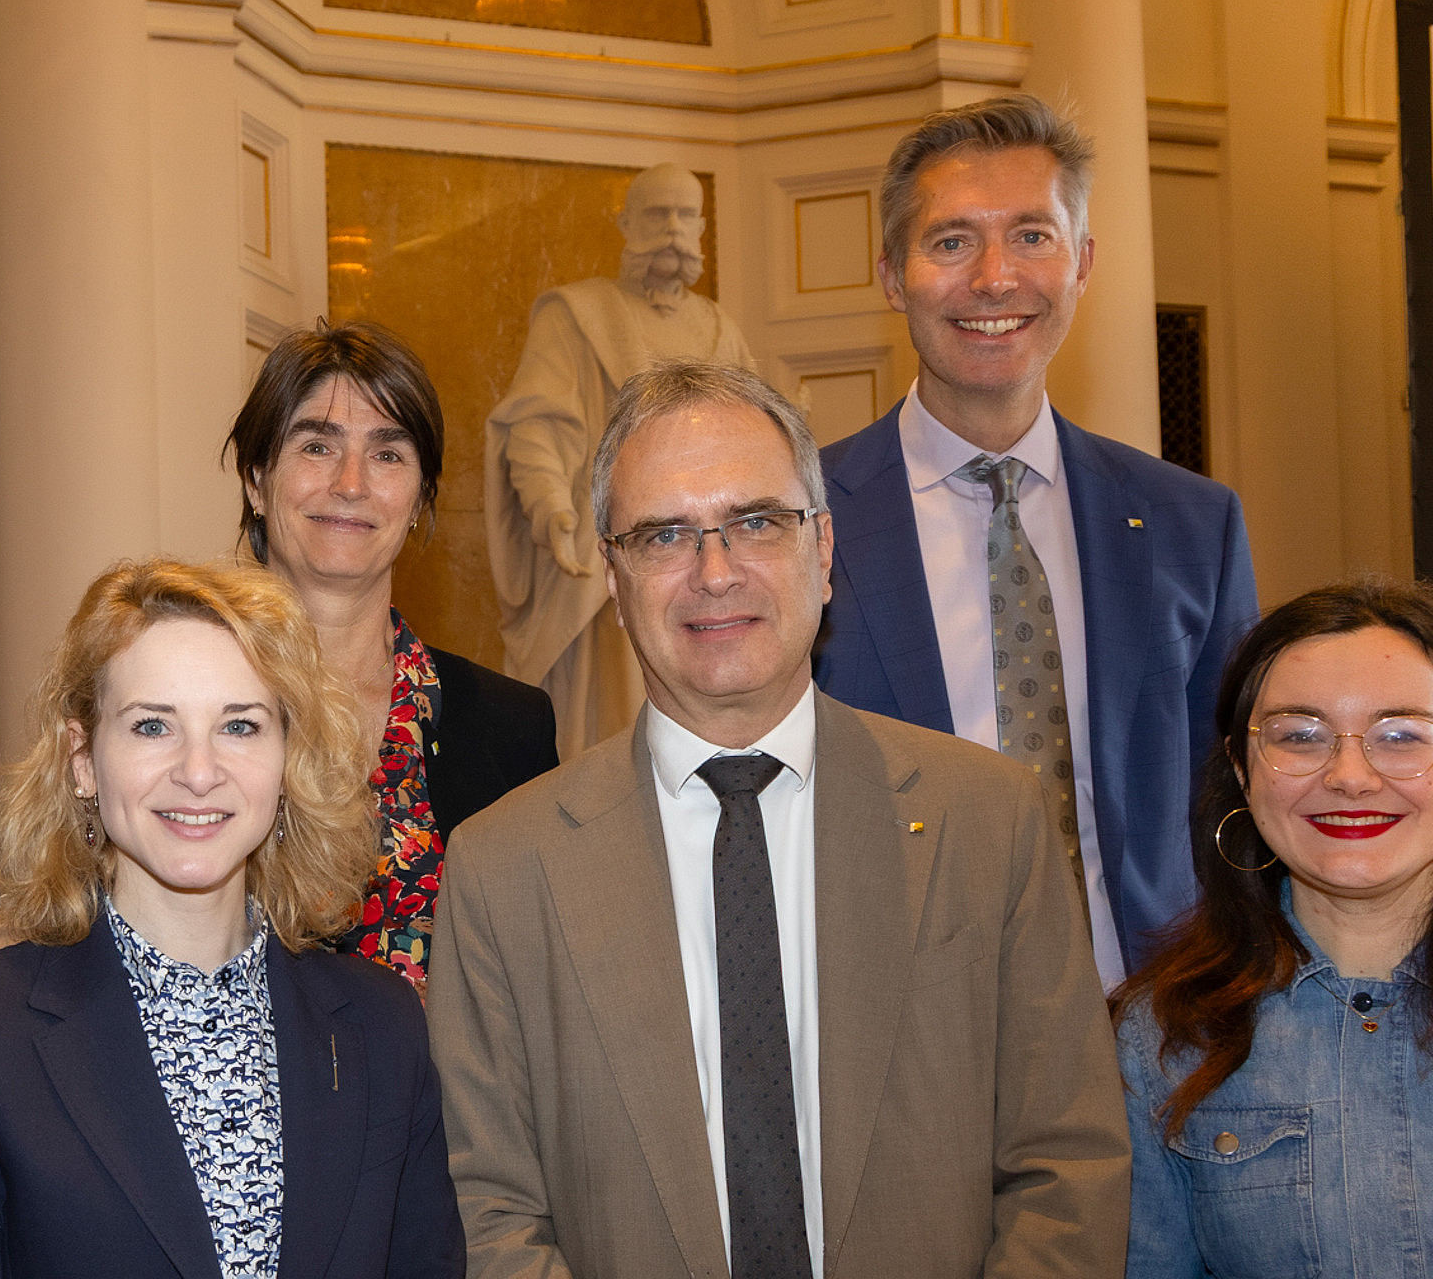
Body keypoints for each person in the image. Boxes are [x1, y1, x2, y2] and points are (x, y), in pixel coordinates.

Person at [431, 359, 1127, 1278]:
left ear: (823, 550)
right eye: (664, 534)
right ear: (612, 574)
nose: (714, 573)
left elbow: (1064, 1170)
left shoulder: (987, 822)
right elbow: (489, 1211)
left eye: (755, 522)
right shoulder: (502, 869)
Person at [0, 557, 466, 1278]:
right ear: (83, 758)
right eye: (151, 726)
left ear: (286, 758)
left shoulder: (379, 1024)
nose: (198, 771)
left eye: (239, 726)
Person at [814, 94, 1258, 986]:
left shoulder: (1190, 526)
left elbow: (1237, 796)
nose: (993, 278)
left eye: (1030, 236)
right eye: (950, 242)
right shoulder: (799, 517)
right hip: (890, 1030)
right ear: (892, 276)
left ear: (1082, 262)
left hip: (1147, 1025)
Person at [1117, 579, 1433, 1276]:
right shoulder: (1159, 1037)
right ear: (1242, 772)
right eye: (1298, 736)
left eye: (1399, 736)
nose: (1348, 776)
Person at [226, 322, 554, 991]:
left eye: (387, 454)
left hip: (443, 1098)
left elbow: (537, 982)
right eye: (316, 445)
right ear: (258, 481)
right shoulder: (175, 707)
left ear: (419, 500)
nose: (351, 484)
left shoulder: (511, 726)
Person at [487, 162, 754, 754]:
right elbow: (536, 424)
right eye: (658, 214)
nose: (673, 229)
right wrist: (552, 509)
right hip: (606, 548)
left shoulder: (719, 330)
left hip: (711, 557)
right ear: (625, 223)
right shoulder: (576, 314)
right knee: (609, 731)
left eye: (686, 215)